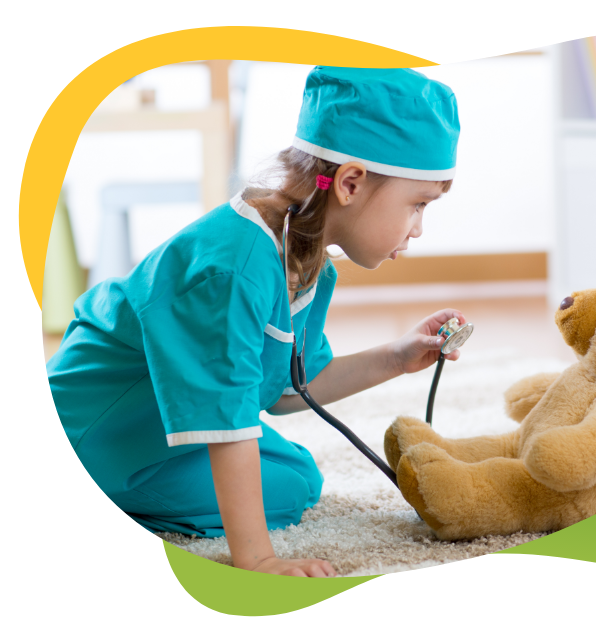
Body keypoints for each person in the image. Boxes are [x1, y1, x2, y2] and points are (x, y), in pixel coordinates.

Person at [47, 66, 463, 578]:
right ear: (351, 183)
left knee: (298, 478)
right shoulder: (235, 268)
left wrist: (397, 357)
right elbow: (226, 422)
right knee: (278, 488)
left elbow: (289, 391)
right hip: (98, 431)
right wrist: (259, 559)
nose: (418, 228)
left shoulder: (308, 262)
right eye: (417, 205)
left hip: (156, 425)